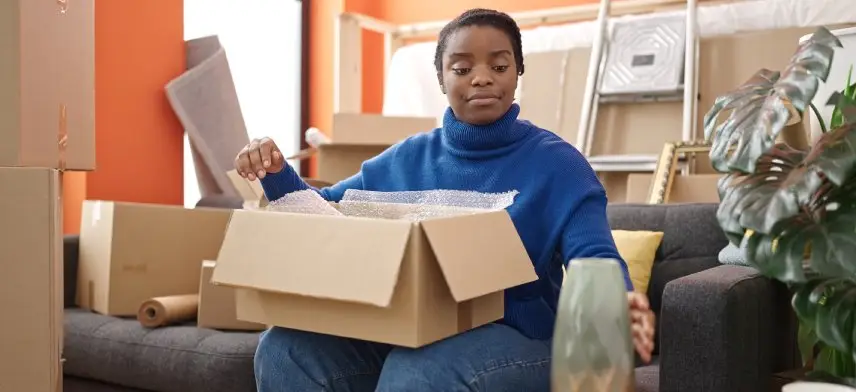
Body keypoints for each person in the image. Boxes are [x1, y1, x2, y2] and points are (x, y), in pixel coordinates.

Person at [235, 8, 655, 392]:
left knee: (418, 372)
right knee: (283, 350)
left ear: (517, 71)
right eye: (462, 67)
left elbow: (594, 255)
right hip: (410, 326)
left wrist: (619, 301)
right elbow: (323, 211)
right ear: (441, 78)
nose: (482, 77)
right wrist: (275, 173)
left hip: (523, 335)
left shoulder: (559, 165)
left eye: (499, 65)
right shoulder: (405, 159)